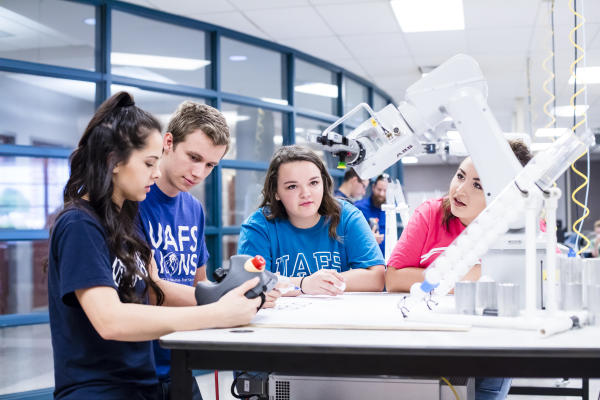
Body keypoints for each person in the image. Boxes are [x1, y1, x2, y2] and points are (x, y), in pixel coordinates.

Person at [47, 91, 261, 400]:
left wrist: (235, 294)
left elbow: (156, 288)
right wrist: (218, 312)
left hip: (143, 384)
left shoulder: (125, 218)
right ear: (113, 160)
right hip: (99, 390)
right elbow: (111, 321)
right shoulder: (80, 223)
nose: (157, 171)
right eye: (149, 162)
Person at [136, 101, 269, 399]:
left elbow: (199, 284)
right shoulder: (135, 200)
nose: (199, 172)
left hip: (181, 360)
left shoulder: (194, 209)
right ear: (168, 142)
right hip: (137, 366)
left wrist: (243, 293)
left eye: (210, 165)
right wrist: (223, 301)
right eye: (193, 157)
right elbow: (146, 288)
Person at [386, 139, 532, 400]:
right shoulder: (430, 214)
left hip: (491, 351)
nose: (460, 190)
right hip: (429, 343)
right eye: (460, 176)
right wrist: (469, 277)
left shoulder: (520, 227)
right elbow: (394, 278)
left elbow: (532, 285)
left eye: (478, 185)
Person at [238, 145, 385, 295]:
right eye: (292, 186)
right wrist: (304, 284)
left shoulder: (347, 216)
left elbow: (377, 277)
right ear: (276, 192)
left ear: (324, 183)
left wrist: (321, 283)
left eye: (314, 183)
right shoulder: (259, 225)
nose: (306, 193)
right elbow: (250, 283)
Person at [355, 174, 388, 254]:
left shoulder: (390, 210)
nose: (382, 194)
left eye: (385, 190)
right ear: (373, 187)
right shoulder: (359, 207)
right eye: (379, 190)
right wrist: (369, 239)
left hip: (386, 259)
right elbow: (351, 236)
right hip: (366, 258)